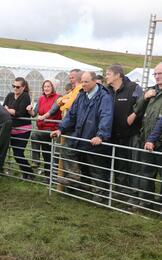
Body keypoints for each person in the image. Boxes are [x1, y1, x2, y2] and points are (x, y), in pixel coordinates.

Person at [51, 72, 113, 203]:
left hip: (94, 139)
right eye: (82, 82)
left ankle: (99, 197)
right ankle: (74, 176)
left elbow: (105, 116)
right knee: (66, 148)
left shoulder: (104, 97)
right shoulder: (81, 95)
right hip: (80, 135)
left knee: (96, 168)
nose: (83, 84)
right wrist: (61, 129)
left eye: (86, 82)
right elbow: (71, 115)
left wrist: (100, 135)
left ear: (95, 81)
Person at [105, 64, 143, 203]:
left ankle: (134, 196)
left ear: (117, 75)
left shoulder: (134, 88)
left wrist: (133, 116)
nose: (106, 76)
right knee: (119, 164)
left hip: (131, 134)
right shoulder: (107, 90)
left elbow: (142, 105)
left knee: (133, 165)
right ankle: (121, 193)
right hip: (113, 134)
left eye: (108, 74)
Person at [131, 62, 162, 209]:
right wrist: (145, 96)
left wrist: (153, 139)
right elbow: (137, 109)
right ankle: (146, 202)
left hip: (158, 141)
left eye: (160, 73)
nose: (157, 76)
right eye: (155, 74)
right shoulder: (152, 91)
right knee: (146, 172)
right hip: (147, 140)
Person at [29, 80, 61, 181]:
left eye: (48, 86)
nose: (46, 88)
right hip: (42, 128)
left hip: (52, 129)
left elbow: (53, 110)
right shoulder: (41, 98)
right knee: (47, 153)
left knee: (34, 136)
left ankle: (36, 161)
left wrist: (43, 117)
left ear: (53, 88)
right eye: (44, 87)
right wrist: (29, 110)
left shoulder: (58, 98)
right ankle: (49, 178)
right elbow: (34, 113)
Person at [3, 77, 34, 180]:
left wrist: (10, 110)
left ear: (23, 87)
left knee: (18, 153)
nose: (15, 88)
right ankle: (25, 174)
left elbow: (20, 113)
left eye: (17, 87)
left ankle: (30, 173)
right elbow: (3, 109)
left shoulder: (25, 96)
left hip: (23, 130)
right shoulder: (9, 95)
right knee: (13, 153)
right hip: (11, 129)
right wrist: (10, 111)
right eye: (13, 86)